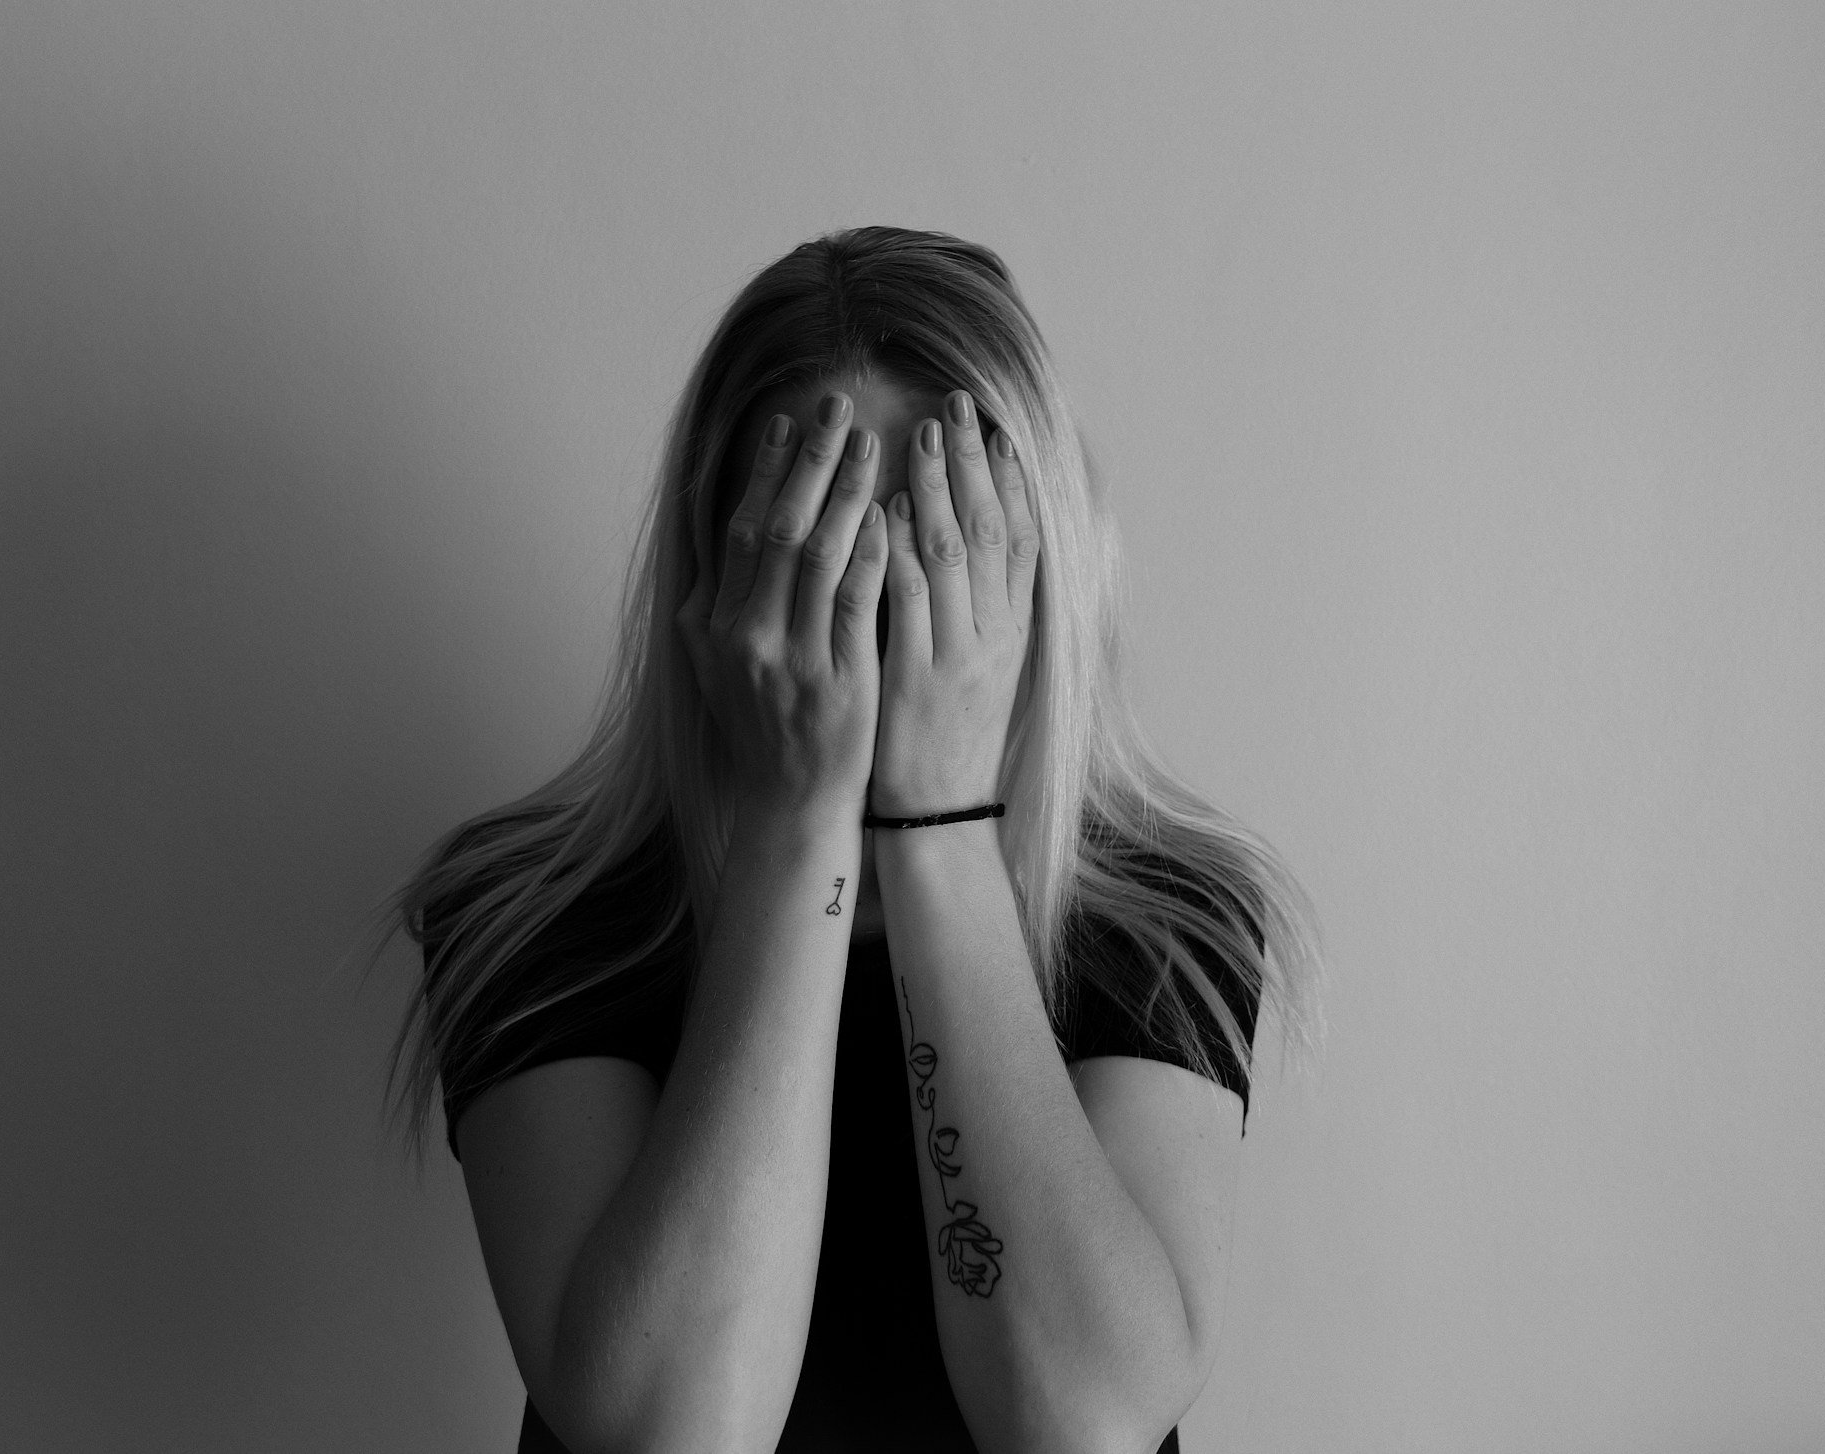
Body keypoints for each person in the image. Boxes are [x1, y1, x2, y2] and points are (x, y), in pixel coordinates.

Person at [380, 226, 1322, 1453]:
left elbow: (1085, 1421)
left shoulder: (1166, 917)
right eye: (817, 553)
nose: (877, 624)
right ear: (712, 572)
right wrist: (794, 824)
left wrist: (939, 824)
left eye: (936, 553)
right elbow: (670, 1428)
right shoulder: (533, 915)